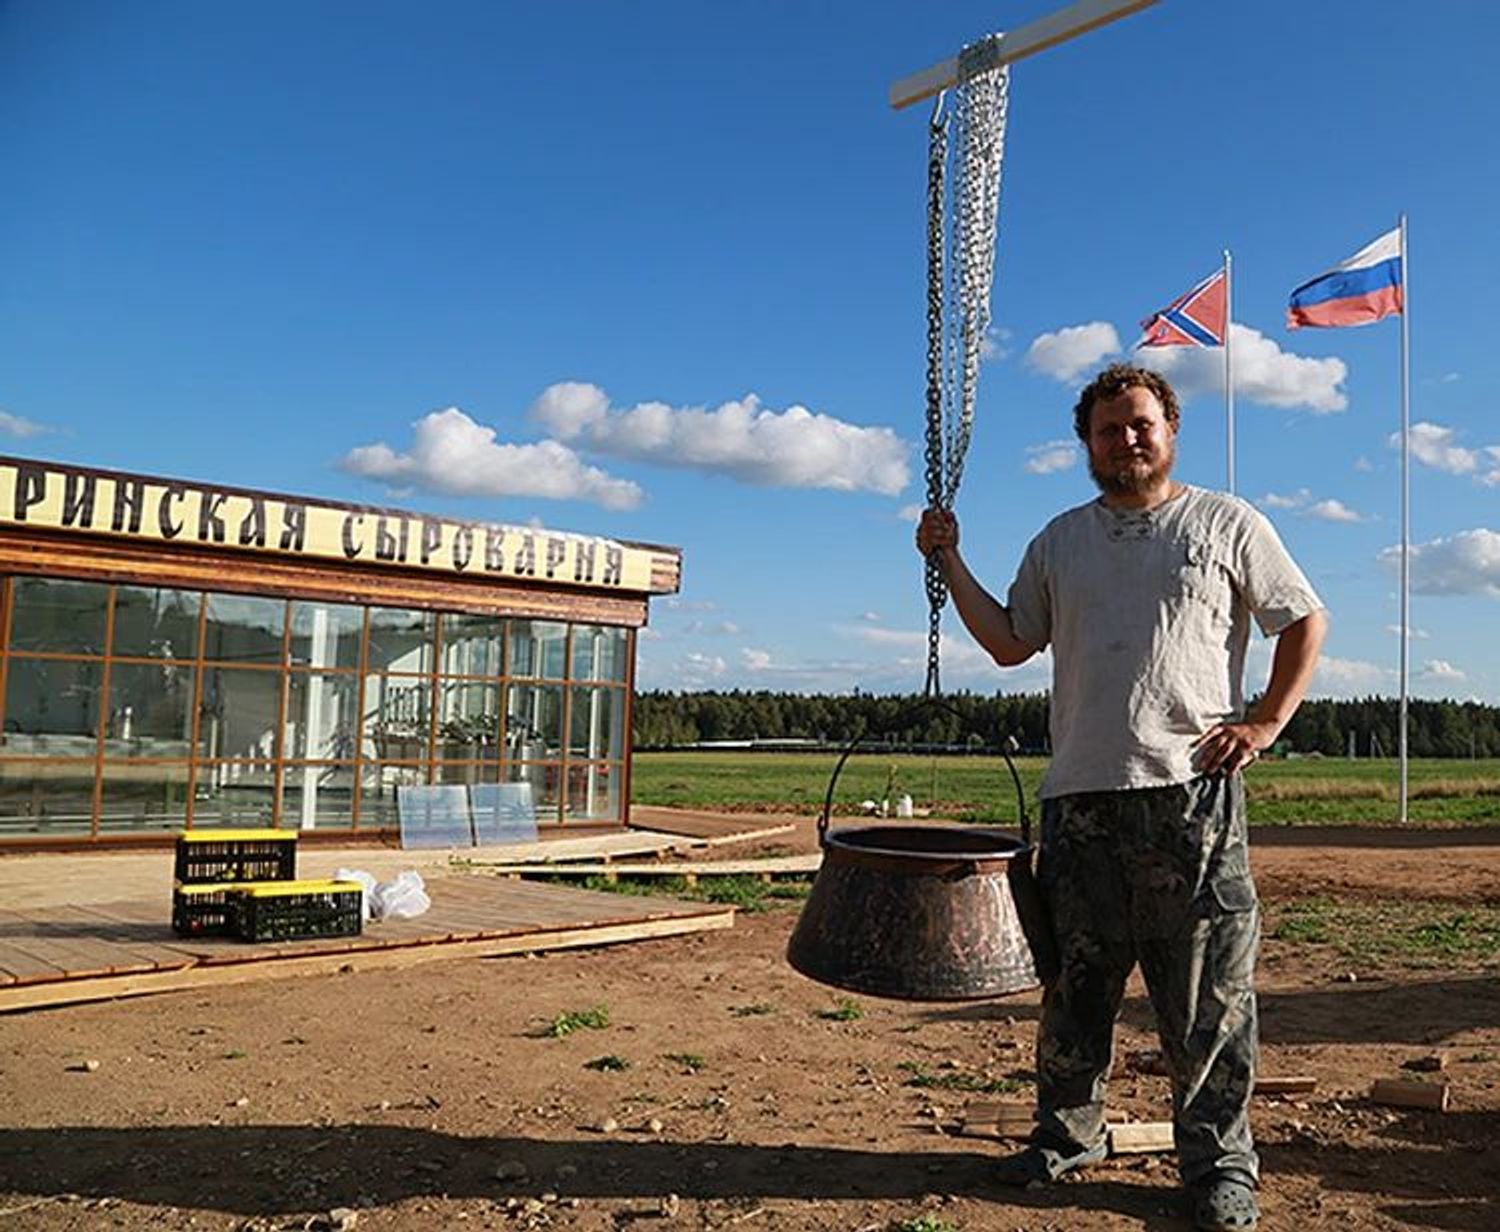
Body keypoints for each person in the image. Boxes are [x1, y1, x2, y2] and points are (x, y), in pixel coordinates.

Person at [916, 363, 1326, 1232]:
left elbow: (1301, 619)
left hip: (1192, 798)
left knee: (1208, 999)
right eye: (1108, 430)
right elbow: (1008, 641)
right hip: (1081, 803)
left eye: (1140, 424)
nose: (1126, 439)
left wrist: (1263, 723)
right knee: (1076, 990)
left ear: (1169, 429)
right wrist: (947, 558)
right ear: (1088, 446)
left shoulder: (1225, 523)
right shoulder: (1060, 540)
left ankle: (1220, 1168)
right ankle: (1066, 1139)